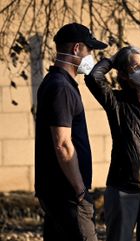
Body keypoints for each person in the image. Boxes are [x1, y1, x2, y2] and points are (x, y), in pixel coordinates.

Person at [84, 46, 140, 241]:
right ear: (125, 75)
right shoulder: (117, 101)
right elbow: (94, 78)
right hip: (124, 186)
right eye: (135, 67)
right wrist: (114, 59)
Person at [34, 22, 108, 241]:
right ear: (77, 49)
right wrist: (80, 191)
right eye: (89, 49)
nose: (91, 56)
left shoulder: (58, 83)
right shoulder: (61, 87)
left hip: (58, 192)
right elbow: (63, 144)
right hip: (67, 195)